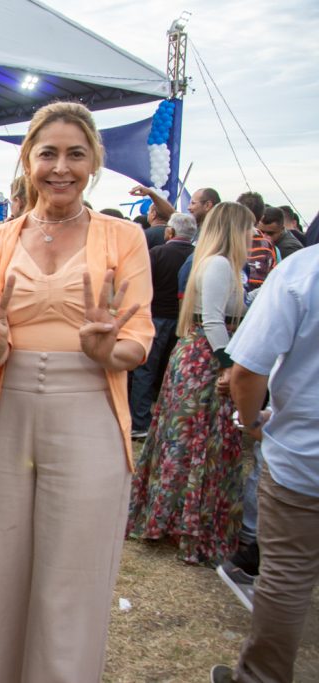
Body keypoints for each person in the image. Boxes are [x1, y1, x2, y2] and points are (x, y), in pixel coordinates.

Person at [0, 101, 154, 682]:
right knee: (2, 569)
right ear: (27, 160)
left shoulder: (124, 237)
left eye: (75, 153)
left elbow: (138, 339)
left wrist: (103, 350)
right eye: (48, 153)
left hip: (90, 409)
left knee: (72, 580)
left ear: (93, 161)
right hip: (6, 412)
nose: (60, 167)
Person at [210, 248, 319, 683]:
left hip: (304, 459)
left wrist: (250, 420)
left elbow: (247, 371)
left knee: (287, 578)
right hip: (304, 455)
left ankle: (260, 678)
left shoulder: (303, 269)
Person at [127, 202, 256, 566]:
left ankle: (186, 522)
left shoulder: (222, 264)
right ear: (234, 229)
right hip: (204, 360)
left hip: (203, 357)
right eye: (248, 229)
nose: (253, 236)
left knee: (200, 441)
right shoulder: (216, 264)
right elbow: (213, 321)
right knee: (194, 441)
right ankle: (182, 524)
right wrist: (228, 366)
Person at [128, 212, 197, 437]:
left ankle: (140, 421)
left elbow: (138, 282)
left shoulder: (158, 253)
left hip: (155, 317)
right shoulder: (197, 255)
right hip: (182, 321)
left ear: (170, 232)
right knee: (171, 372)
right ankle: (168, 421)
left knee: (145, 371)